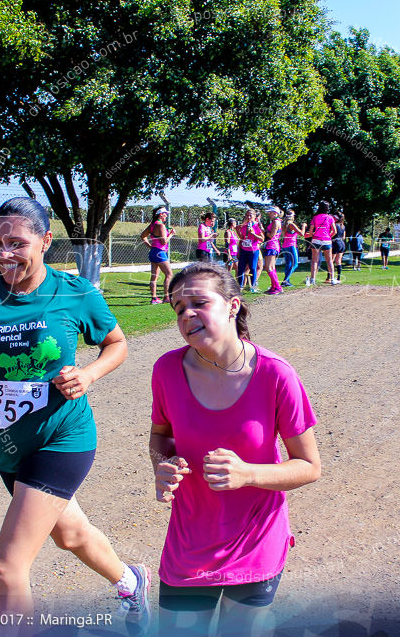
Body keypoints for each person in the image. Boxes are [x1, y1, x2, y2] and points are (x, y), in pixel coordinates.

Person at [0, 197, 150, 633]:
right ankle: (131, 581)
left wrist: (89, 374)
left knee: (7, 568)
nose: (4, 253)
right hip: (6, 443)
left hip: (63, 437)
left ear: (45, 241)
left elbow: (116, 344)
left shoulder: (75, 292)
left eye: (16, 243)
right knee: (70, 535)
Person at [151, 262, 321, 636]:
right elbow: (161, 437)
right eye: (178, 307)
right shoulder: (166, 370)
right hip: (190, 544)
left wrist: (248, 474)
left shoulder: (275, 373)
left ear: (232, 305)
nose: (186, 313)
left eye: (198, 301)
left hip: (255, 541)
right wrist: (162, 465)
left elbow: (309, 466)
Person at [141, 206, 175, 304]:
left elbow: (143, 236)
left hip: (153, 252)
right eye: (165, 214)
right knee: (169, 274)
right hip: (160, 252)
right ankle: (166, 297)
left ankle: (154, 298)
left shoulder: (152, 225)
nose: (166, 216)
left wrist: (151, 247)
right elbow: (164, 242)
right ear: (161, 214)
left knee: (154, 277)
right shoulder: (161, 226)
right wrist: (171, 234)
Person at [305, 202, 337, 286]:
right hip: (326, 240)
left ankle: (313, 279)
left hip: (316, 240)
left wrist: (313, 235)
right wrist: (329, 236)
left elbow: (311, 231)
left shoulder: (315, 218)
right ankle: (332, 279)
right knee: (329, 260)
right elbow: (334, 231)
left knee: (314, 261)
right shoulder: (330, 218)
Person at [236, 209, 264, 292]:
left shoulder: (257, 226)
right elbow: (242, 237)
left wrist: (253, 234)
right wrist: (238, 230)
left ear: (254, 216)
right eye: (247, 215)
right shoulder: (244, 226)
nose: (248, 217)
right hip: (244, 250)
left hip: (253, 250)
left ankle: (253, 286)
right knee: (241, 268)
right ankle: (240, 286)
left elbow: (262, 238)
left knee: (252, 267)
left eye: (250, 215)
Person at [261, 206, 284, 295]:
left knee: (268, 267)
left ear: (275, 213)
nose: (268, 214)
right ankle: (274, 286)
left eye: (270, 212)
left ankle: (277, 287)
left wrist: (264, 231)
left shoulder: (275, 222)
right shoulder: (277, 221)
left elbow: (271, 235)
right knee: (271, 268)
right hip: (274, 245)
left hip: (272, 245)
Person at [279, 210, 305, 287]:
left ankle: (287, 281)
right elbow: (302, 234)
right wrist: (303, 226)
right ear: (292, 216)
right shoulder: (291, 225)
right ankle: (285, 280)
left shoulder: (283, 224)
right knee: (295, 264)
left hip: (284, 246)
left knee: (288, 264)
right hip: (291, 245)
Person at [330, 212, 347, 282]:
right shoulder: (343, 226)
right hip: (342, 243)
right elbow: (344, 237)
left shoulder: (335, 225)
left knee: (331, 261)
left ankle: (329, 277)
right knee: (338, 261)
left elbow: (332, 233)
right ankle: (338, 278)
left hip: (335, 243)